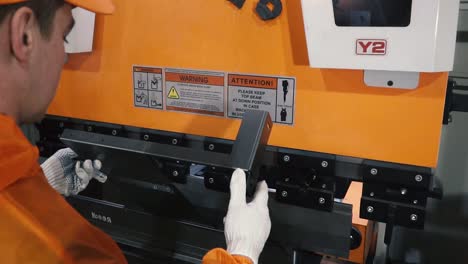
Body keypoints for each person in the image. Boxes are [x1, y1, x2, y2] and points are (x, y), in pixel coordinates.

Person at [0, 0, 271, 263]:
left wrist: (39, 188)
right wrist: (240, 253)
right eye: (64, 37)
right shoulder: (57, 251)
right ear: (24, 36)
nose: (65, 56)